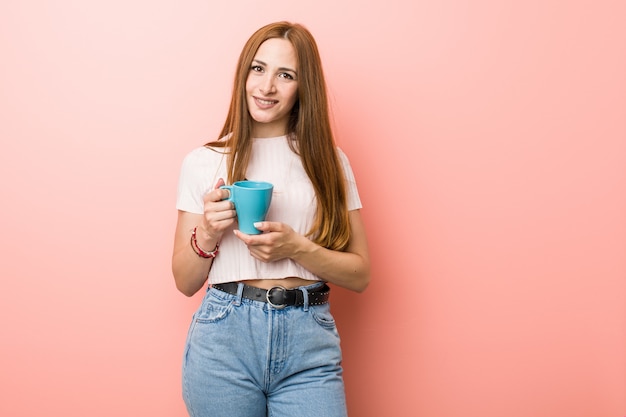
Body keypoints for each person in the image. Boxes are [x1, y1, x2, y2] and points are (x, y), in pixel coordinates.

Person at [172, 21, 370, 417]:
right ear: (244, 74)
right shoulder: (205, 161)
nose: (266, 87)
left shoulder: (329, 162)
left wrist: (297, 248)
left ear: (303, 88)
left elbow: (360, 275)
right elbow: (184, 281)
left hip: (308, 342)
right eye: (258, 69)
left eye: (286, 75)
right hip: (223, 339)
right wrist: (208, 232)